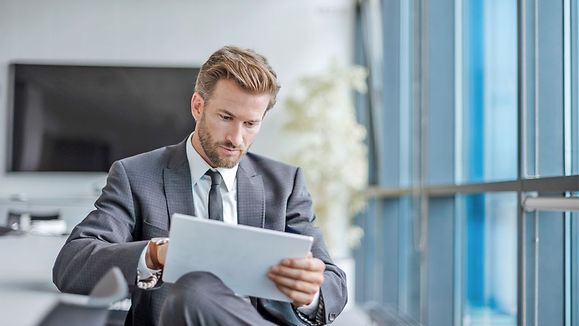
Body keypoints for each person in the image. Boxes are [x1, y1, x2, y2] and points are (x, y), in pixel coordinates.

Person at [52, 46, 347, 326]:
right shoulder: (137, 176)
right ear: (197, 106)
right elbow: (72, 266)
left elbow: (333, 285)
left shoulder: (284, 184)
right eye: (226, 117)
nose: (236, 138)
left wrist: (308, 294)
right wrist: (155, 255)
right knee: (194, 289)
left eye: (250, 124)